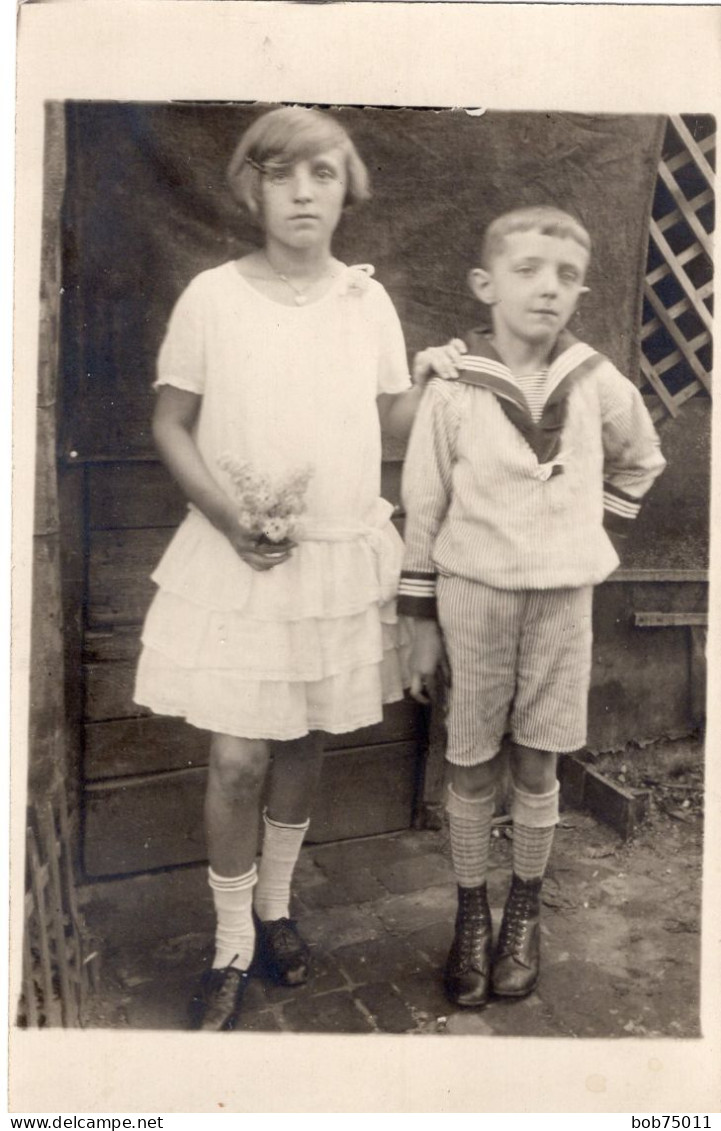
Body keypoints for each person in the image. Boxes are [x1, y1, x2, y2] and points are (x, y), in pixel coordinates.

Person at [134, 106, 447, 1030]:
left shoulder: (367, 300)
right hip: (239, 555)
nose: (303, 192)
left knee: (304, 738)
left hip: (332, 556)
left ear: (345, 188)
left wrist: (432, 378)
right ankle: (230, 940)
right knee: (236, 759)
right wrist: (230, 516)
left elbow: (389, 424)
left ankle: (275, 911)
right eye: (282, 174)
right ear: (252, 189)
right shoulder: (212, 296)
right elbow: (169, 421)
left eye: (321, 173)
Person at [398, 205, 666, 1008]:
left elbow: (643, 460)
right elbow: (424, 504)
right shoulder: (453, 388)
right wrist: (415, 621)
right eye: (526, 271)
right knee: (471, 757)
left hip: (561, 602)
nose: (547, 289)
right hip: (472, 596)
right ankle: (470, 911)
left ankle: (523, 910)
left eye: (565, 276)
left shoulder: (594, 379)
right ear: (484, 285)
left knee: (539, 758)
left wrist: (591, 528)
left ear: (580, 290)